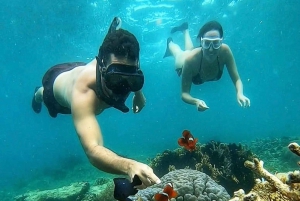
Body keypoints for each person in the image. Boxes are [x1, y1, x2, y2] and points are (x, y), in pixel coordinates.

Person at [31, 17, 160, 188]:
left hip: (87, 67)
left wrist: (138, 93)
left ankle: (112, 34)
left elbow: (125, 71)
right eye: (116, 78)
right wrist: (130, 166)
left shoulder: (120, 66)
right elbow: (93, 150)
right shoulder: (84, 92)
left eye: (132, 79)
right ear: (102, 67)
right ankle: (37, 94)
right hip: (57, 85)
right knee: (44, 95)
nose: (122, 88)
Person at [163, 21, 250, 111]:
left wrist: (240, 93)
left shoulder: (225, 51)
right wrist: (196, 101)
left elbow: (237, 79)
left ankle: (185, 30)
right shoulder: (189, 60)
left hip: (197, 55)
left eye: (216, 43)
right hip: (183, 63)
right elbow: (184, 94)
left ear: (221, 41)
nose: (211, 49)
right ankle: (170, 44)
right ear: (201, 41)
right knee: (178, 53)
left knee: (191, 50)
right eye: (207, 43)